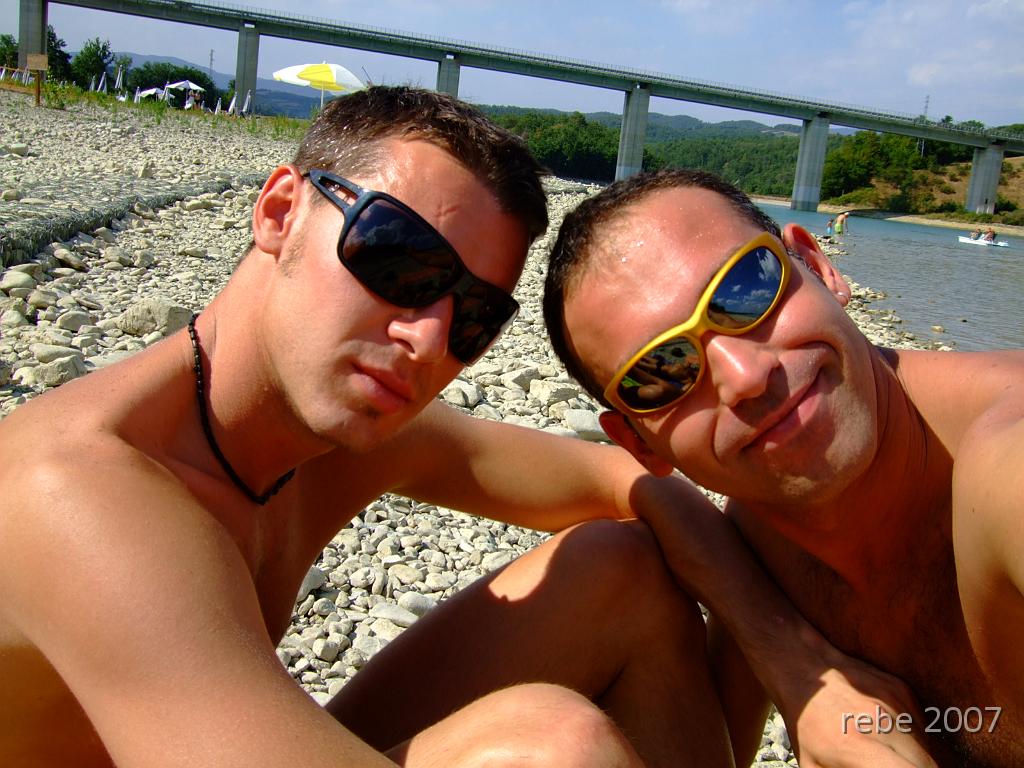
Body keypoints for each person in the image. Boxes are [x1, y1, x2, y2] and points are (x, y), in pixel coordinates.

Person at [0, 88, 929, 768]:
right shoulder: (83, 493)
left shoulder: (339, 428)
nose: (427, 338)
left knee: (620, 570)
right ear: (280, 212)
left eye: (474, 315)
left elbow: (634, 486)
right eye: (399, 261)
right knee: (550, 747)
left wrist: (799, 670)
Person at [543, 168, 1024, 768]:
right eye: (662, 371)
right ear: (641, 445)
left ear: (819, 267)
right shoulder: (761, 549)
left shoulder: (1006, 464)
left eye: (747, 288)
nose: (744, 377)